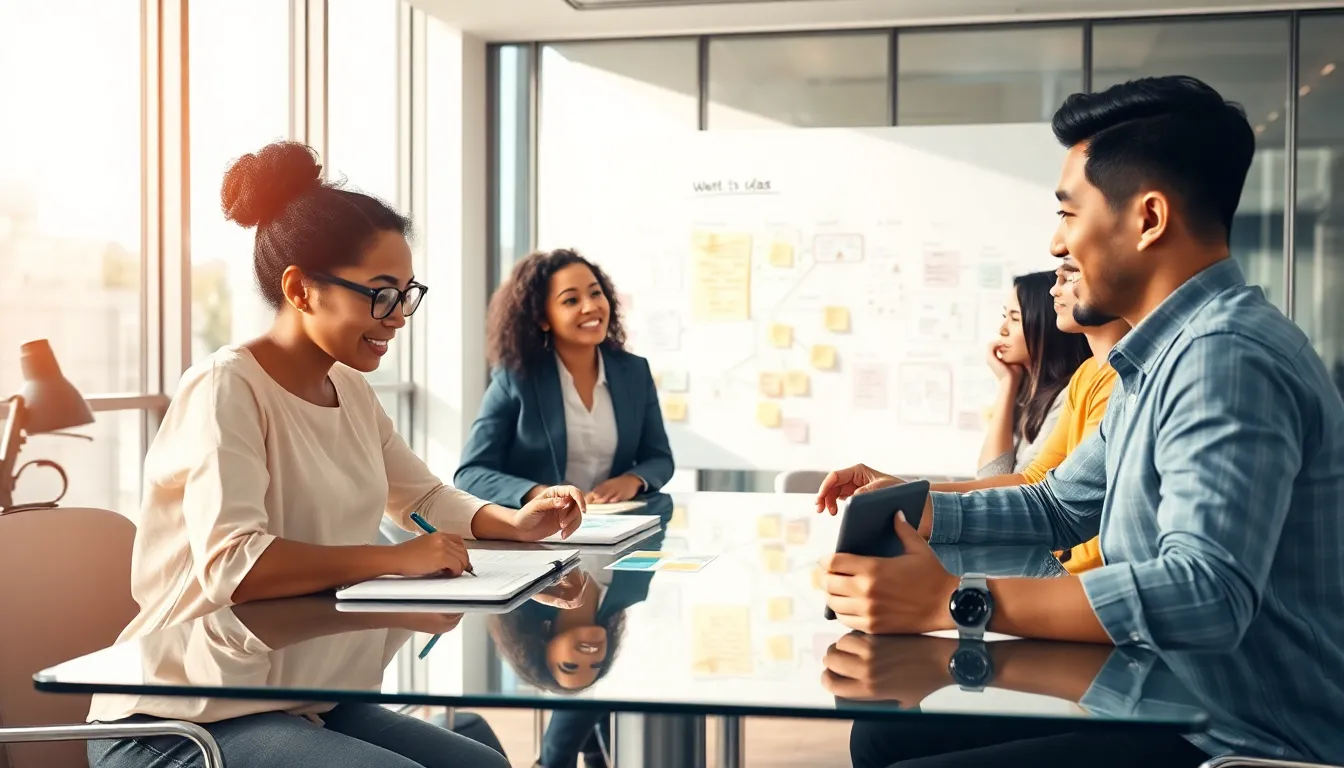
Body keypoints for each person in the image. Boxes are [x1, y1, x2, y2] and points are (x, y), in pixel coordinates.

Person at [818, 76, 1344, 767]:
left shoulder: (1225, 357)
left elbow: (1205, 594)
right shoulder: (1157, 356)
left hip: (1237, 742)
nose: (1056, 243)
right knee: (887, 732)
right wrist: (915, 510)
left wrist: (955, 598)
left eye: (1069, 212)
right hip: (1160, 702)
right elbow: (1062, 504)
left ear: (1148, 218)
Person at [88, 141, 589, 768]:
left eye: (408, 294)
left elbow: (424, 497)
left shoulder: (348, 386)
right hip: (177, 716)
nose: (399, 317)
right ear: (301, 289)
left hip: (295, 697)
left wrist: (510, 521)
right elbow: (233, 566)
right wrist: (395, 561)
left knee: (481, 763)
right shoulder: (227, 387)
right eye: (381, 293)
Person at [820, 256, 1130, 573]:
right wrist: (905, 494)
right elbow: (1041, 491)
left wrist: (907, 497)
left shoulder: (1116, 382)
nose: (1054, 290)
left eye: (1070, 274)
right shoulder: (1087, 375)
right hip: (1060, 568)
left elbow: (1033, 494)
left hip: (1080, 576)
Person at [455, 248, 674, 507]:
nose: (591, 307)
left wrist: (632, 479)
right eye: (571, 300)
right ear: (543, 318)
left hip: (617, 526)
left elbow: (660, 458)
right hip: (541, 533)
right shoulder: (515, 379)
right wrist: (541, 494)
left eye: (596, 293)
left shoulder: (635, 372)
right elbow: (471, 474)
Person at [976, 271, 1091, 479]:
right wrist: (1009, 382)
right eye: (1005, 317)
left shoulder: (1067, 397)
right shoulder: (1027, 395)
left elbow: (992, 481)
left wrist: (1006, 385)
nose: (1002, 330)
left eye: (1015, 319)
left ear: (1045, 324)